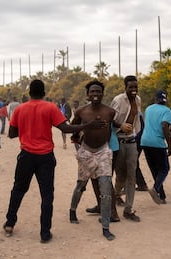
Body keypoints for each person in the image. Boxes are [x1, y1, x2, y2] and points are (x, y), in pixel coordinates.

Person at [3, 79, 106, 243]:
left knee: (18, 190)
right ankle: (45, 233)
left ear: (30, 93)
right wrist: (88, 125)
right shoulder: (50, 107)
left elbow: (11, 134)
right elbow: (65, 128)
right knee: (47, 195)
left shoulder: (20, 109)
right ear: (44, 93)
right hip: (45, 157)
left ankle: (10, 223)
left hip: (26, 156)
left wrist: (27, 127)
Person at [68, 80, 116, 241]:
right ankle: (72, 211)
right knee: (81, 184)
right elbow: (72, 129)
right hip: (86, 151)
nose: (95, 94)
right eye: (92, 92)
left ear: (103, 93)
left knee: (105, 188)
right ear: (87, 94)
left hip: (103, 151)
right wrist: (88, 126)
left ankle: (106, 227)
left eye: (98, 91)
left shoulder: (110, 111)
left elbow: (113, 125)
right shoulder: (81, 111)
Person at [110, 75, 142, 222]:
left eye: (135, 87)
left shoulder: (138, 100)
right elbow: (110, 118)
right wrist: (121, 125)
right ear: (125, 87)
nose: (134, 90)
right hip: (118, 141)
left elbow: (136, 120)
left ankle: (128, 209)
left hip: (131, 141)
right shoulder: (118, 100)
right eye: (131, 87)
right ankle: (115, 197)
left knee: (132, 175)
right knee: (120, 175)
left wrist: (136, 133)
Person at [141, 90, 171, 204]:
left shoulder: (148, 108)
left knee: (155, 169)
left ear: (155, 98)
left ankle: (161, 196)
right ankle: (155, 189)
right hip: (157, 143)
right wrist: (169, 145)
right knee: (164, 169)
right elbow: (164, 126)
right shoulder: (167, 110)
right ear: (166, 99)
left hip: (145, 141)